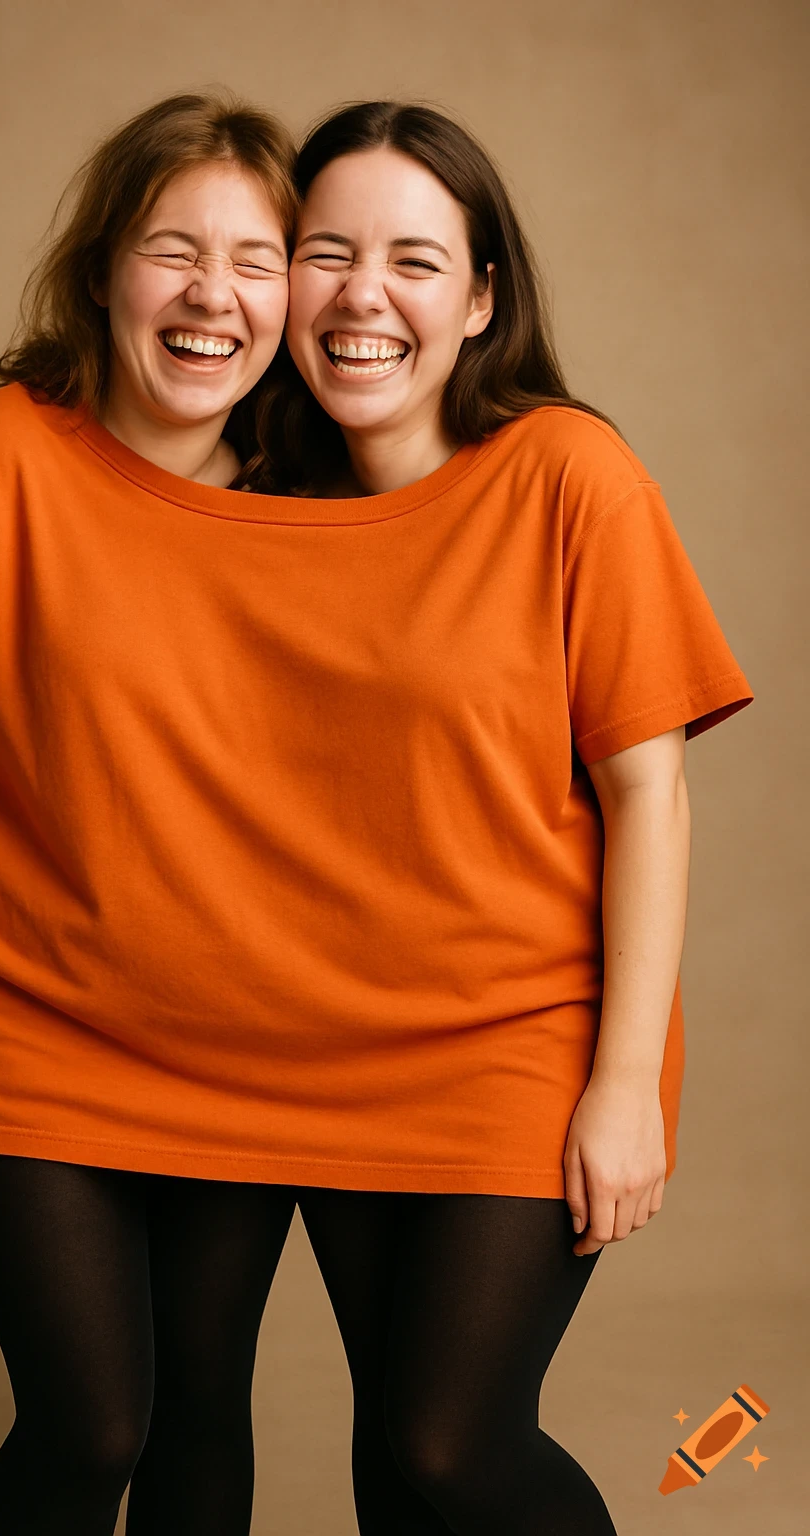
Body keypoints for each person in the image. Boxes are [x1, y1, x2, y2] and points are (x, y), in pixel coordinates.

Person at [232, 100, 754, 1534]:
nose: (360, 297)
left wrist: (623, 1084)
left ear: (479, 300)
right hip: (324, 1045)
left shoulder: (569, 474)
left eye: (412, 259)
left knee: (453, 1442)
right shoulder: (247, 506)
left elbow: (649, 790)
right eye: (324, 253)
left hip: (527, 1038)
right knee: (394, 1453)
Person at [0, 92, 303, 1536]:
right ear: (101, 270)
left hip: (250, 1045)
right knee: (93, 1423)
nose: (214, 295)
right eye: (173, 249)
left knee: (206, 1404)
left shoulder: (324, 500)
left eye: (259, 259)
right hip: (30, 1035)